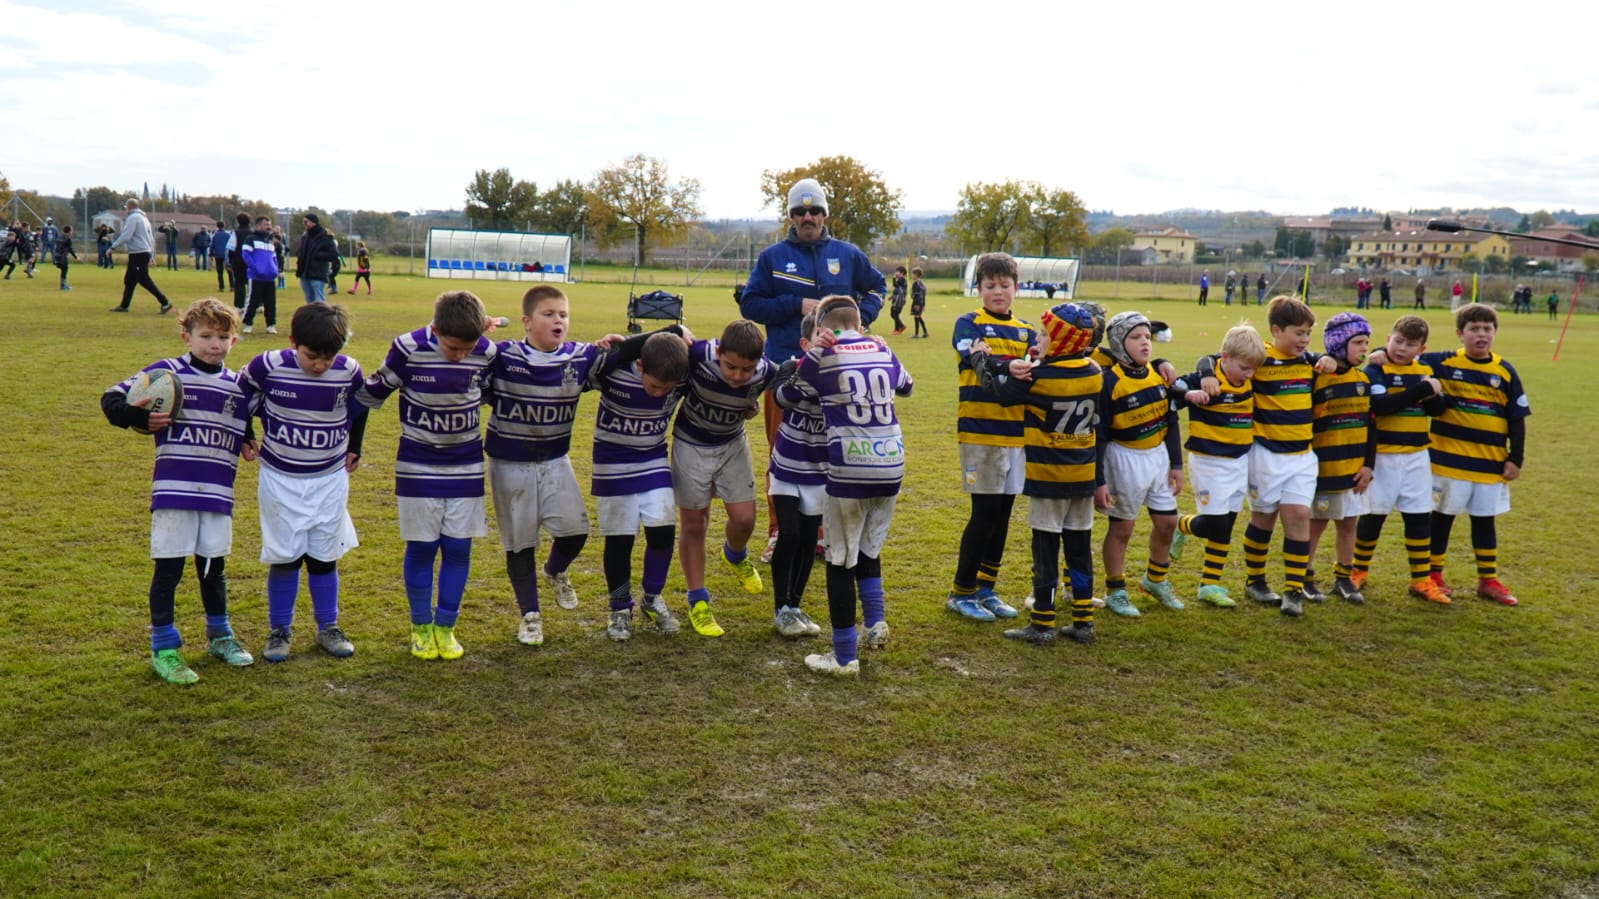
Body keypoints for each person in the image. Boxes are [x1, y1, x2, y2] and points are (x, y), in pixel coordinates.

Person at [101, 297, 256, 683]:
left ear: (234, 342)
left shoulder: (238, 385)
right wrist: (138, 417)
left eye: (223, 337)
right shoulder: (167, 374)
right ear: (187, 337)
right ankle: (165, 648)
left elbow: (239, 419)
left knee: (213, 568)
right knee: (169, 569)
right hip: (174, 490)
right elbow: (111, 398)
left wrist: (249, 437)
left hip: (218, 491)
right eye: (206, 336)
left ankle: (220, 636)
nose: (215, 344)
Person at [737, 178, 886, 566]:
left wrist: (859, 320)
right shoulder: (773, 257)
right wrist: (795, 304)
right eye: (799, 211)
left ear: (824, 214)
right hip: (788, 371)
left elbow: (877, 288)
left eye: (814, 210)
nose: (807, 217)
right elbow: (750, 305)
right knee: (782, 454)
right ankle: (778, 533)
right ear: (791, 216)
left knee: (833, 454)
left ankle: (824, 534)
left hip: (839, 374)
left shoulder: (848, 254)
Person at [355, 290, 499, 660]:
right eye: (453, 348)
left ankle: (445, 628)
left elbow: (486, 393)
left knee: (457, 548)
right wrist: (352, 444)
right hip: (417, 464)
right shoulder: (406, 348)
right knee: (422, 548)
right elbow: (370, 397)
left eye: (468, 348)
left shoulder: (487, 351)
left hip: (466, 464)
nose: (461, 355)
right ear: (434, 330)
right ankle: (420, 627)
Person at [483, 285, 620, 646]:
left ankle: (555, 570)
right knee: (520, 543)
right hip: (509, 463)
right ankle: (530, 616)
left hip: (555, 460)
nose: (558, 320)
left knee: (575, 531)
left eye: (563, 314)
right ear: (527, 322)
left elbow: (622, 356)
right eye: (549, 314)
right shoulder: (502, 356)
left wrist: (671, 333)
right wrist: (475, 334)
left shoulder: (578, 357)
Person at [782, 296, 911, 674]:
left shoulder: (824, 354)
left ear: (823, 325)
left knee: (839, 559)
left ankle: (843, 656)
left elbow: (788, 394)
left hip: (850, 466)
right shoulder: (881, 349)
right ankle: (875, 622)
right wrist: (881, 349)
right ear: (860, 323)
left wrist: (813, 354)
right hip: (891, 463)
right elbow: (907, 386)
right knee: (869, 548)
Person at [966, 301, 1104, 646]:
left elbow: (997, 392)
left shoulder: (1038, 377)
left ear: (1061, 340)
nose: (1039, 338)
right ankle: (1084, 621)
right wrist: (1039, 356)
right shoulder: (1093, 371)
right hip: (1083, 475)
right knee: (1079, 549)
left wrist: (980, 358)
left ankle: (1042, 622)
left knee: (1045, 549)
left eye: (1045, 333)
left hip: (1049, 477)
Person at [241, 303, 368, 662]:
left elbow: (361, 407)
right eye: (312, 356)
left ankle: (328, 626)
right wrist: (245, 435)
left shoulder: (348, 371)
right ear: (293, 340)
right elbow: (239, 399)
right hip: (280, 479)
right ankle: (279, 630)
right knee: (285, 556)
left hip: (329, 478)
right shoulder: (266, 367)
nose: (320, 365)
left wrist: (354, 447)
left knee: (324, 557)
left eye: (329, 357)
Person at [1202, 296, 1337, 617]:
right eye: (1298, 333)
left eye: (1308, 333)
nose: (1304, 340)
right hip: (1265, 455)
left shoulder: (1310, 363)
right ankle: (1256, 580)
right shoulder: (1260, 359)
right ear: (1277, 330)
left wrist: (1332, 360)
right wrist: (1205, 371)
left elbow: (1353, 362)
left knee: (1298, 515)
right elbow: (1215, 358)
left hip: (1303, 455)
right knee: (1263, 517)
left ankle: (1293, 590)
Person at [1414, 304, 1529, 606]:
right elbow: (1402, 353)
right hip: (1448, 462)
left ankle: (1487, 580)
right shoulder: (1442, 362)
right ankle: (1434, 575)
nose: (1481, 335)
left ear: (1494, 333)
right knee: (1442, 519)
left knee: (1484, 521)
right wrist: (1377, 353)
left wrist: (1515, 458)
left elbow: (1516, 418)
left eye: (1487, 329)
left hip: (1490, 464)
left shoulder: (1504, 371)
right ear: (1460, 334)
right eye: (1474, 329)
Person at [670, 320, 778, 636]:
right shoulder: (698, 355)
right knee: (693, 523)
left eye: (746, 369)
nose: (737, 375)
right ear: (718, 351)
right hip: (690, 443)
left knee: (745, 519)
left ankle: (734, 554)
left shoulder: (766, 372)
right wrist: (677, 329)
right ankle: (698, 600)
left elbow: (795, 374)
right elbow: (661, 349)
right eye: (730, 366)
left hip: (732, 443)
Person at [945, 252, 1034, 623]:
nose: (998, 292)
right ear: (978, 289)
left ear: (1016, 288)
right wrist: (1005, 365)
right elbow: (974, 358)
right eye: (990, 286)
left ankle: (986, 588)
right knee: (982, 514)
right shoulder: (969, 323)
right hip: (980, 432)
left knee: (1002, 515)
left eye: (1005, 285)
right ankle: (961, 591)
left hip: (1017, 434)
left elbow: (1034, 372)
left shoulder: (1027, 331)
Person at [588, 330, 692, 642]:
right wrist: (669, 331)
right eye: (654, 385)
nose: (660, 393)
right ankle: (620, 608)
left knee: (662, 532)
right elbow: (598, 359)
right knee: (620, 541)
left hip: (653, 460)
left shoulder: (680, 377)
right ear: (641, 366)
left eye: (667, 389)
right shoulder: (613, 372)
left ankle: (652, 598)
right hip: (612, 464)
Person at [1351, 315, 1447, 601]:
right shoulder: (1376, 369)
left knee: (1418, 516)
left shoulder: (1425, 369)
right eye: (1398, 341)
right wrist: (1422, 390)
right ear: (1389, 338)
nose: (1402, 348)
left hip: (1417, 457)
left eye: (1411, 344)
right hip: (1383, 456)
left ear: (1421, 348)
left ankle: (1421, 579)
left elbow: (1438, 408)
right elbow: (1381, 407)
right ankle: (1358, 570)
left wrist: (1431, 394)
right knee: (1373, 516)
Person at [1095, 311, 1184, 617]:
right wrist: (1099, 481)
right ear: (1119, 343)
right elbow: (1100, 436)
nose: (1145, 343)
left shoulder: (1160, 375)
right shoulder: (1110, 382)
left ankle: (1155, 579)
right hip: (1124, 459)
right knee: (1123, 528)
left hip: (1157, 456)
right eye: (1135, 337)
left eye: (1147, 337)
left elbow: (1171, 420)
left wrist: (1176, 464)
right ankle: (1116, 590)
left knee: (1168, 523)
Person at [1170, 325, 1266, 607]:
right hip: (1209, 462)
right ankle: (1181, 524)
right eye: (1244, 368)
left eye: (1252, 370)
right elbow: (1173, 389)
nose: (1249, 375)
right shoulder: (1206, 378)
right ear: (1224, 357)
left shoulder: (1249, 378)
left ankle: (1209, 585)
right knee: (1214, 524)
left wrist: (1210, 366)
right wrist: (1193, 391)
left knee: (1226, 526)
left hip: (1239, 463)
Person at [1302, 313, 1375, 604]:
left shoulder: (1363, 379)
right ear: (1337, 344)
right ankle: (1304, 578)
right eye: (1357, 342)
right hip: (1325, 469)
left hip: (1355, 469)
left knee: (1348, 524)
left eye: (1366, 342)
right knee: (1316, 525)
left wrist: (1369, 465)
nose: (1363, 348)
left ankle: (1344, 579)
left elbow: (1371, 426)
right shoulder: (1317, 378)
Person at [766, 311, 827, 639]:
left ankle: (795, 604)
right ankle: (780, 608)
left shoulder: (842, 375)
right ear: (806, 343)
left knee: (807, 540)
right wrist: (813, 362)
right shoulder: (792, 367)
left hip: (819, 473)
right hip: (787, 468)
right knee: (788, 534)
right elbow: (781, 396)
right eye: (822, 336)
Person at [107, 199, 173, 314]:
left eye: (126, 207)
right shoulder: (144, 219)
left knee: (144, 279)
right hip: (141, 252)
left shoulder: (132, 218)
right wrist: (151, 254)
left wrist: (113, 247)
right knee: (130, 280)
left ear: (129, 206)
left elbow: (126, 235)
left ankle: (165, 302)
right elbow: (150, 238)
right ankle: (124, 305)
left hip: (138, 253)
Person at [240, 216, 280, 335]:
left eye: (269, 224)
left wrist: (275, 269)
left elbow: (274, 257)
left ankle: (271, 325)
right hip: (256, 276)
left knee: (271, 302)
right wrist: (256, 268)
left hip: (270, 277)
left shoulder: (270, 241)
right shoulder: (250, 239)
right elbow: (246, 255)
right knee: (253, 301)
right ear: (258, 226)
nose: (269, 227)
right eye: (266, 224)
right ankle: (248, 324)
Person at [295, 213, 339, 303]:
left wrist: (317, 255)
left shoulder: (325, 237)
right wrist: (300, 254)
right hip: (304, 273)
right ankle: (311, 317)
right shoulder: (305, 236)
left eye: (306, 221)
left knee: (319, 300)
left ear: (313, 223)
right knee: (309, 300)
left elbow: (333, 254)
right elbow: (301, 250)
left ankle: (322, 317)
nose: (304, 224)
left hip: (317, 274)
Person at [229, 213, 251, 312]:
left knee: (239, 283)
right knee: (252, 283)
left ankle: (239, 305)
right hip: (251, 262)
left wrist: (230, 261)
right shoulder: (253, 233)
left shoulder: (236, 233)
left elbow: (231, 248)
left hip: (238, 261)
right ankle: (256, 303)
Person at [53, 224, 79, 291]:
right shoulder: (68, 239)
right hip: (63, 257)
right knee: (65, 270)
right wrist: (76, 257)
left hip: (56, 256)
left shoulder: (59, 237)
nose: (72, 232)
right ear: (69, 231)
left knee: (63, 270)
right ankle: (62, 286)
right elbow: (70, 249)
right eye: (72, 230)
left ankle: (63, 285)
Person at [210, 221, 232, 292]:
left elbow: (212, 245)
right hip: (227, 255)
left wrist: (211, 254)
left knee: (220, 272)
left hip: (218, 255)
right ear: (224, 226)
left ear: (217, 226)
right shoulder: (228, 235)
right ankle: (232, 286)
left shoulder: (215, 235)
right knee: (230, 271)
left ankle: (221, 287)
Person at [888, 265, 908, 334]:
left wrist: (893, 278)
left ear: (902, 273)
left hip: (899, 300)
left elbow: (895, 285)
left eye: (898, 272)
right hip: (897, 299)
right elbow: (898, 290)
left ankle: (897, 330)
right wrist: (892, 296)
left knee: (895, 313)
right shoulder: (900, 280)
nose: (896, 273)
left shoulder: (902, 279)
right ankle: (902, 326)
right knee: (893, 314)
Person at [910, 266, 928, 338]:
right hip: (921, 303)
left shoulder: (916, 284)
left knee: (916, 317)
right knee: (919, 317)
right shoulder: (921, 283)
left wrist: (917, 304)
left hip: (917, 303)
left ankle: (916, 334)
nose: (911, 276)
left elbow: (918, 295)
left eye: (912, 274)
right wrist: (923, 304)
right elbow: (923, 295)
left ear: (916, 274)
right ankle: (925, 332)